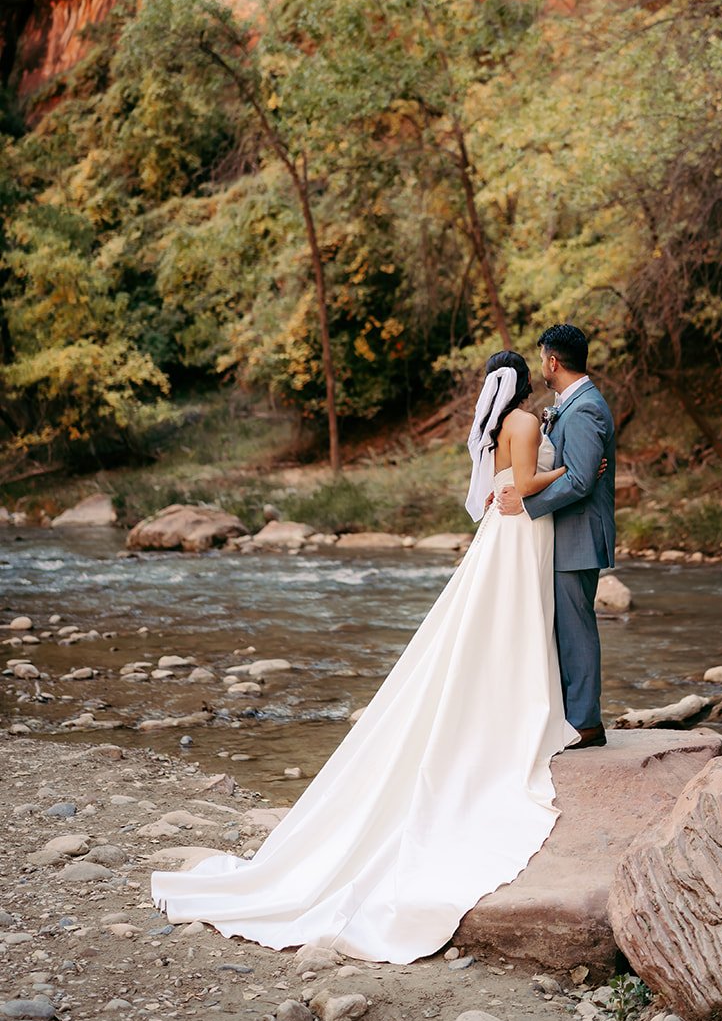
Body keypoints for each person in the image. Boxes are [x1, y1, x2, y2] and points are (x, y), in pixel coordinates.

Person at [150, 350, 581, 962]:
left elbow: (491, 485)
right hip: (521, 527)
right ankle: (522, 706)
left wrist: (518, 486)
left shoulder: (487, 427)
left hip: (499, 529)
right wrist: (566, 475)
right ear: (520, 382)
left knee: (486, 622)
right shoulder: (526, 423)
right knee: (515, 617)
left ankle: (508, 699)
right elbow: (523, 481)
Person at [497, 324, 616, 748]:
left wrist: (527, 506)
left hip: (579, 536)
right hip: (563, 535)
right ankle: (569, 715)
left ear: (552, 361)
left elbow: (582, 480)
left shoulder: (584, 409)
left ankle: (586, 724)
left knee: (576, 629)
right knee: (562, 628)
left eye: (543, 358)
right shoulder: (567, 404)